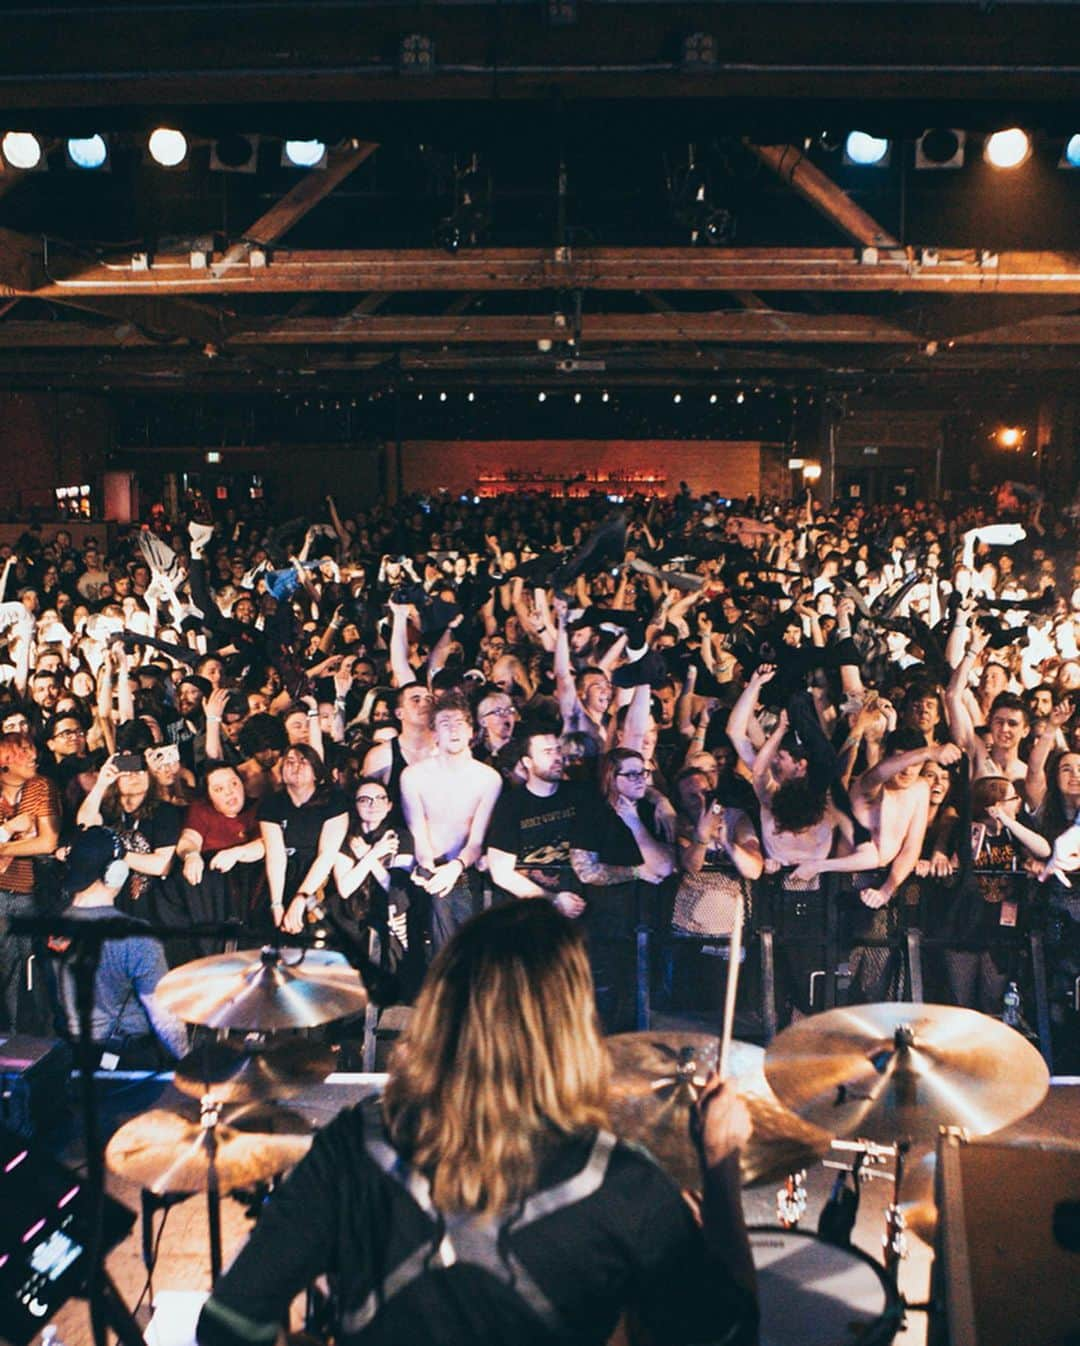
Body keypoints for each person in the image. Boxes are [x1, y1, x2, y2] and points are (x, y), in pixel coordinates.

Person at [197, 901, 757, 1346]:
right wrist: (721, 1165)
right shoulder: (626, 1187)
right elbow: (730, 1336)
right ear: (574, 1026)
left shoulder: (354, 1143)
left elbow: (229, 1323)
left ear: (442, 1010)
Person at [56, 827, 188, 1069]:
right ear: (115, 873)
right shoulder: (134, 936)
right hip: (125, 1062)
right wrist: (188, 1062)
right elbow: (165, 1018)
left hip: (69, 1059)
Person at [400, 692, 502, 952]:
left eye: (459, 723)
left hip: (465, 870)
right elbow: (418, 833)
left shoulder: (488, 779)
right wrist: (428, 868)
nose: (453, 729)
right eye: (445, 723)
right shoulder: (413, 776)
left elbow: (477, 840)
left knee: (461, 918)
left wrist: (454, 868)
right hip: (427, 868)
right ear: (434, 732)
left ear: (471, 731)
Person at [485, 727, 587, 917]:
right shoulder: (511, 805)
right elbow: (501, 873)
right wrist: (553, 900)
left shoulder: (580, 794)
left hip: (581, 905)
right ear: (527, 762)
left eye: (557, 750)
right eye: (547, 752)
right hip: (528, 911)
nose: (557, 757)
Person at [0, 730, 61, 1031]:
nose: (32, 755)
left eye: (32, 748)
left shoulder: (41, 786)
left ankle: (26, 1036)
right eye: (23, 750)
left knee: (24, 966)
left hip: (28, 893)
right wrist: (13, 827)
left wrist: (3, 845)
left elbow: (47, 842)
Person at [259, 744, 349, 935]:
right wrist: (277, 903)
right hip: (284, 875)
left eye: (304, 762)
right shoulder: (272, 803)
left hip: (321, 878)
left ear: (317, 772)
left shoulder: (334, 801)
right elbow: (275, 855)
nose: (296, 767)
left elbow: (327, 855)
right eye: (290, 762)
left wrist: (301, 898)